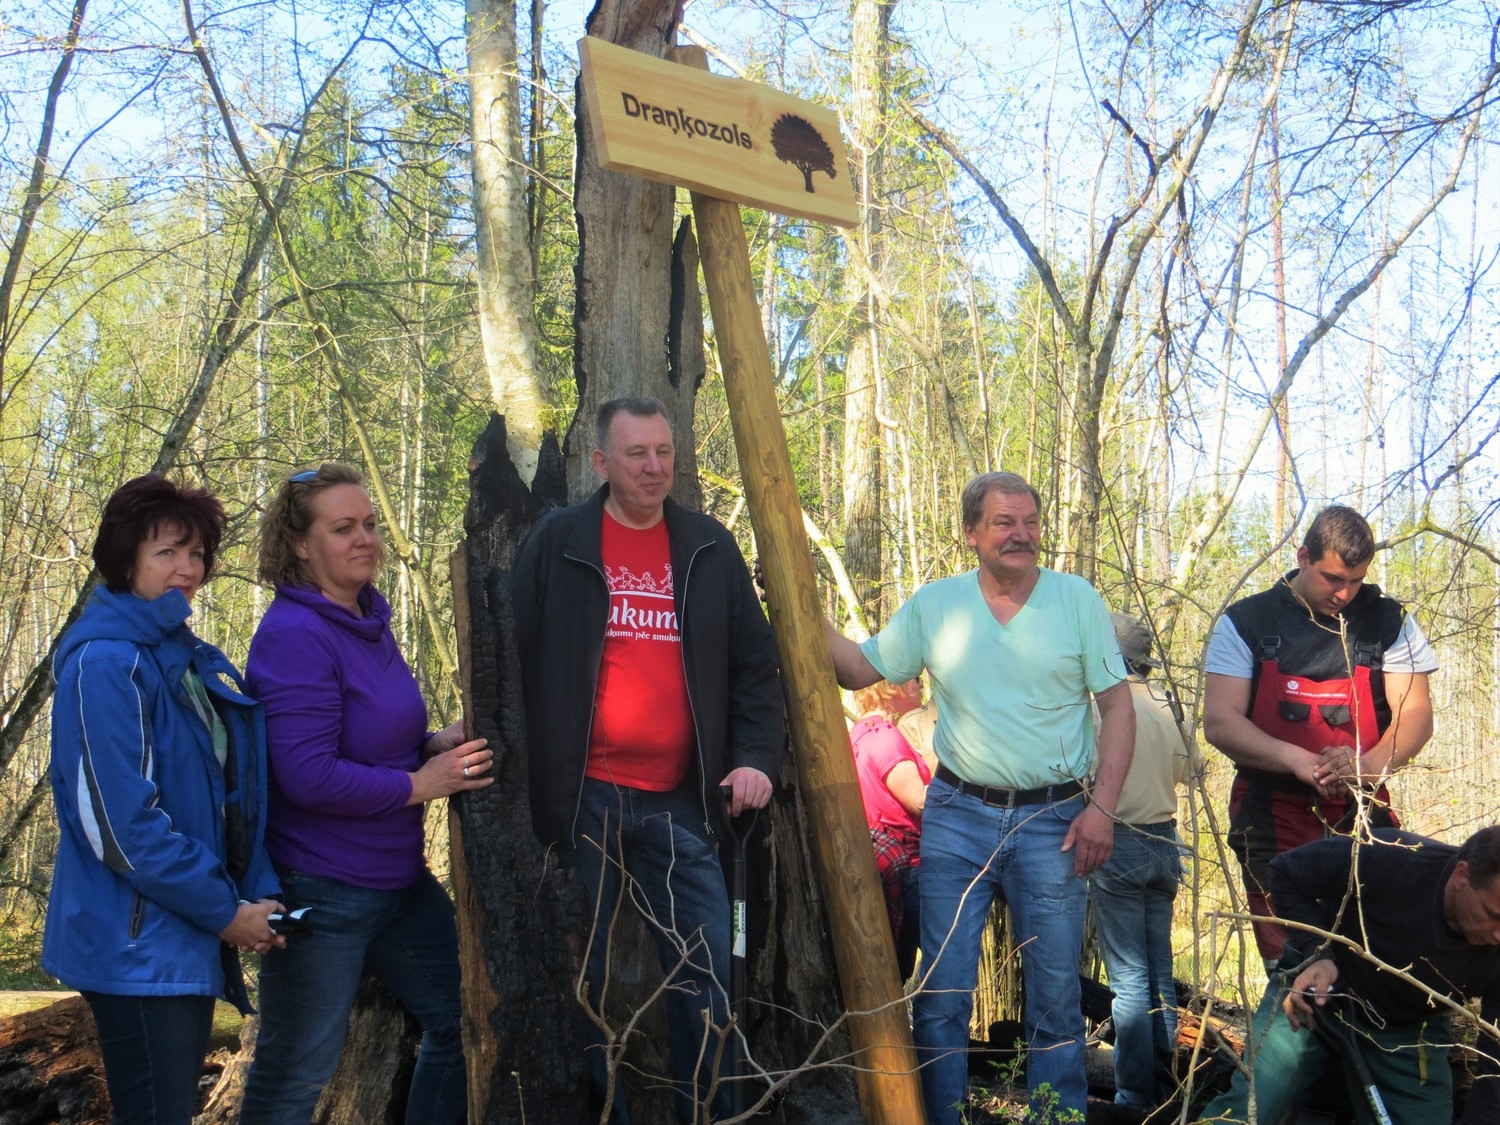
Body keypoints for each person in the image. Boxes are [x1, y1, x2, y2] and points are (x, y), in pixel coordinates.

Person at [825, 470, 1135, 1125]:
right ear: (972, 532)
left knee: (1053, 995)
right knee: (940, 992)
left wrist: (1101, 808)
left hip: (1055, 816)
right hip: (956, 816)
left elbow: (1117, 707)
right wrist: (791, 600)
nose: (1021, 534)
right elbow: (857, 669)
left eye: (1029, 521)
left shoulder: (1076, 601)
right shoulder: (938, 605)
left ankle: (1057, 1119)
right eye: (1003, 522)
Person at [510, 396, 783, 1124]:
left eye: (664, 451)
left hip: (682, 800)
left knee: (706, 974)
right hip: (580, 801)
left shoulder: (706, 547)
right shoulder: (560, 540)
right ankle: (603, 1113)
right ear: (600, 462)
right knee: (584, 978)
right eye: (637, 454)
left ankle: (711, 1114)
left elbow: (756, 668)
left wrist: (756, 757)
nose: (655, 466)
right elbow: (510, 656)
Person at [239, 463, 493, 1124]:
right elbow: (307, 774)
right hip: (319, 891)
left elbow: (372, 736)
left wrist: (434, 742)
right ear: (300, 544)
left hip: (398, 883)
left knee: (466, 1019)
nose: (365, 539)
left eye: (371, 525)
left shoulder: (368, 620)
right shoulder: (295, 636)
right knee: (294, 1072)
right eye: (343, 527)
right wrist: (421, 784)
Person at [43, 474, 284, 1124]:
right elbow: (121, 826)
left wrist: (253, 893)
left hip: (179, 937)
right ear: (125, 560)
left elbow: (223, 798)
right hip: (137, 946)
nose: (188, 567)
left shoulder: (176, 657)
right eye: (167, 552)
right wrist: (224, 909)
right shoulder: (105, 663)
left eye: (197, 552)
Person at [1202, 505, 1437, 971]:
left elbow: (1416, 714)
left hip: (1361, 809)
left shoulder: (1391, 622)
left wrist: (1366, 765)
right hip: (1269, 812)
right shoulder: (1247, 622)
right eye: (1333, 578)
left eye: (1355, 580)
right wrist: (1296, 760)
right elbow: (1220, 721)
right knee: (1292, 960)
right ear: (1303, 556)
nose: (1344, 593)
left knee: (1367, 956)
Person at [1196, 827, 1500, 1125]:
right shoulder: (1393, 857)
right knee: (1254, 1102)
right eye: (1493, 915)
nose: (1499, 934)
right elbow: (1285, 872)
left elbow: (1496, 1060)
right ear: (1462, 876)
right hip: (1315, 995)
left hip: (1406, 1031)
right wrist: (1319, 952)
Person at [1091, 613, 1201, 1115]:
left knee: (1130, 980)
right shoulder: (1164, 704)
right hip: (1164, 842)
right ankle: (1166, 1082)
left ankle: (1136, 1098)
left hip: (1118, 840)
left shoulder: (1099, 708)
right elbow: (1194, 771)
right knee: (1157, 969)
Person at [849, 677, 932, 981]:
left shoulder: (858, 735)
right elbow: (920, 802)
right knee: (946, 965)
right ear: (889, 685)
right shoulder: (884, 737)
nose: (921, 684)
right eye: (913, 678)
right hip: (910, 869)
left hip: (887, 869)